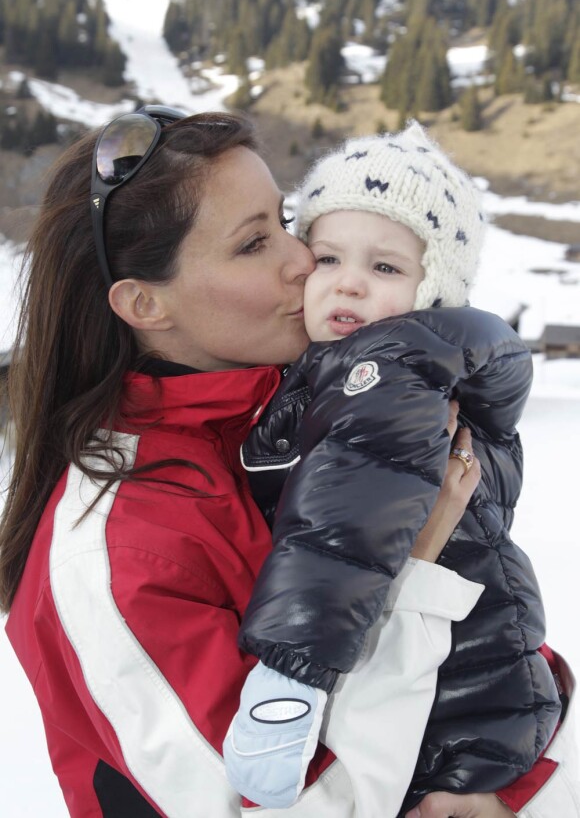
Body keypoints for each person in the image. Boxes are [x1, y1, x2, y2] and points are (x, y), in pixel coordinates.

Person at [0, 106, 574, 818]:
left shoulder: (323, 418)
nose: (304, 260)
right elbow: (287, 805)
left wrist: (505, 786)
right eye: (253, 244)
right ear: (146, 303)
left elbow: (511, 655)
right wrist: (414, 573)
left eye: (286, 219)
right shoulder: (113, 554)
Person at [224, 123, 574, 816]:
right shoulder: (332, 371)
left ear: (432, 290)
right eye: (327, 258)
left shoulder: (388, 371)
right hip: (464, 678)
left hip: (458, 702)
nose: (349, 281)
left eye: (385, 268)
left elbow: (344, 524)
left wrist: (291, 675)